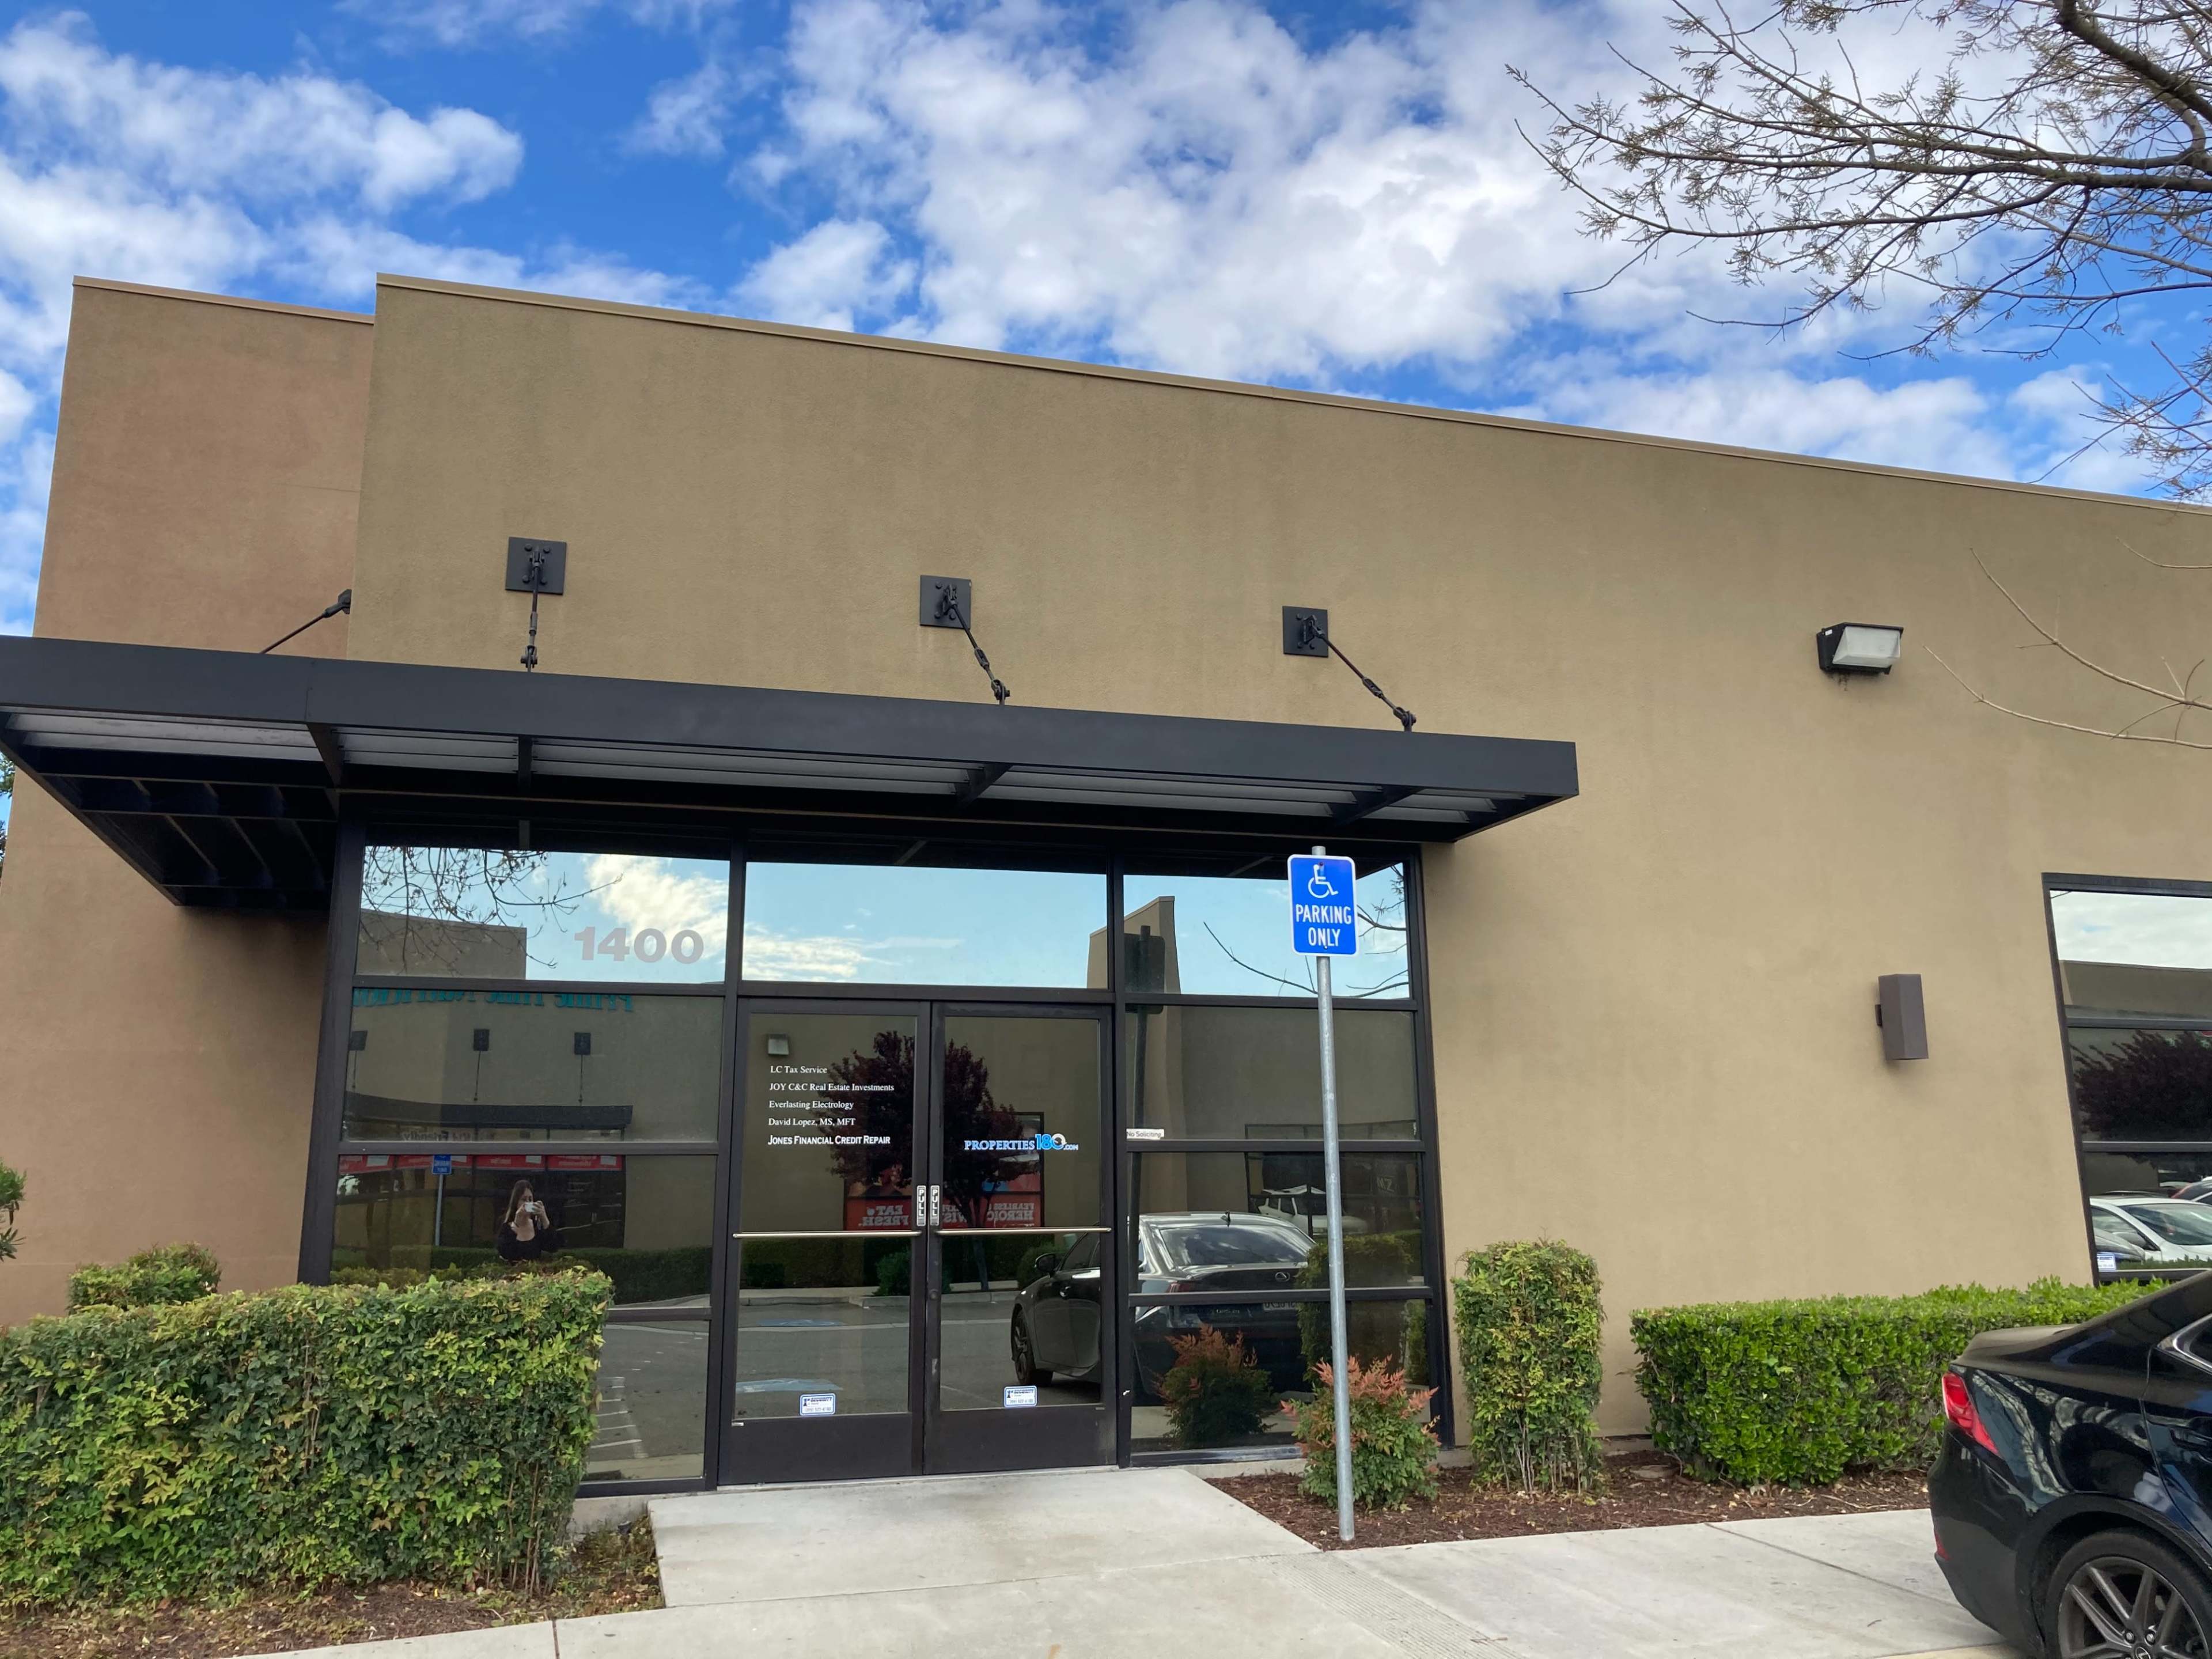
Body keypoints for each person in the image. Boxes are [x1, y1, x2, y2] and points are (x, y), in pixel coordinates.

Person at [498, 1179, 550, 1262]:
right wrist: (516, 1223)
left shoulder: (536, 1225)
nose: (527, 1203)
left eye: (530, 1199)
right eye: (524, 1199)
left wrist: (544, 1219)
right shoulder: (506, 1226)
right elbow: (505, 1252)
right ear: (516, 1202)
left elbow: (553, 1247)